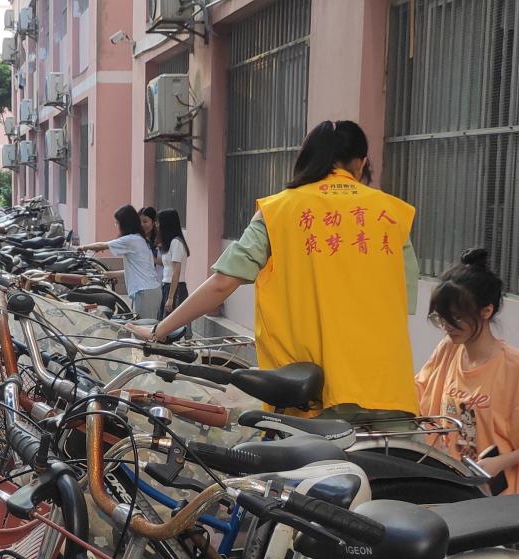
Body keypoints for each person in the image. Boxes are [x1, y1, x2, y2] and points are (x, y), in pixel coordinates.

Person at [139, 120, 420, 414]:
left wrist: (160, 330)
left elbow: (222, 283)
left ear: (307, 159)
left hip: (314, 394)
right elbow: (401, 302)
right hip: (388, 391)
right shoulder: (394, 214)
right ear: (360, 163)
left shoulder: (278, 210)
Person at [416, 249, 519, 495]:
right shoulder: (449, 349)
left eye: (456, 318)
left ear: (486, 311)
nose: (447, 327)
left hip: (498, 498)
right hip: (453, 487)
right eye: (441, 318)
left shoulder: (516, 366)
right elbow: (418, 392)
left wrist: (501, 462)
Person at [79, 204, 161, 319]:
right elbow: (135, 270)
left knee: (144, 327)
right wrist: (109, 274)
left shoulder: (132, 240)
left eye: (117, 223)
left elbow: (103, 245)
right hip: (147, 291)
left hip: (145, 292)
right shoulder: (138, 239)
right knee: (141, 325)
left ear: (124, 224)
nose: (117, 226)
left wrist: (82, 247)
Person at [156, 208, 189, 323]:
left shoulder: (176, 243)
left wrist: (170, 297)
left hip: (176, 288)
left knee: (172, 324)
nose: (157, 225)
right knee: (164, 323)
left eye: (159, 222)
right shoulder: (170, 243)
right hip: (167, 286)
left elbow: (176, 272)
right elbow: (167, 265)